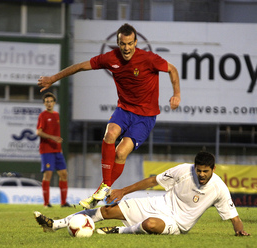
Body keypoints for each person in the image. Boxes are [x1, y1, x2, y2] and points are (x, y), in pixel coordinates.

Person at [37, 23, 181, 209]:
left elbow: (172, 69)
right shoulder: (110, 58)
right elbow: (81, 66)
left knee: (121, 152)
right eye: (123, 44)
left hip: (145, 117)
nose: (127, 48)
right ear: (118, 43)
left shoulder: (149, 59)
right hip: (124, 110)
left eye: (130, 43)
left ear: (136, 42)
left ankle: (104, 187)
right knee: (109, 134)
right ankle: (105, 187)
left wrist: (176, 94)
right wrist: (53, 79)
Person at [34, 151, 250, 236]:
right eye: (199, 170)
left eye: (205, 171)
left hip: (177, 223)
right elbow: (151, 180)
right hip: (158, 204)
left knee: (150, 226)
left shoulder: (219, 187)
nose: (201, 175)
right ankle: (55, 224)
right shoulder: (183, 171)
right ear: (194, 167)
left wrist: (239, 231)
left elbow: (234, 217)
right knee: (106, 210)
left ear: (213, 170)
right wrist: (123, 191)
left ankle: (118, 231)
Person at [36, 92, 71, 208]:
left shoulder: (56, 115)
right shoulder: (43, 115)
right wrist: (52, 138)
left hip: (57, 150)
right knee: (48, 175)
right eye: (47, 102)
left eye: (51, 101)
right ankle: (46, 203)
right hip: (46, 150)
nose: (49, 103)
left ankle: (63, 202)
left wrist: (57, 143)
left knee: (64, 174)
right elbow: (38, 132)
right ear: (44, 104)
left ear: (54, 103)